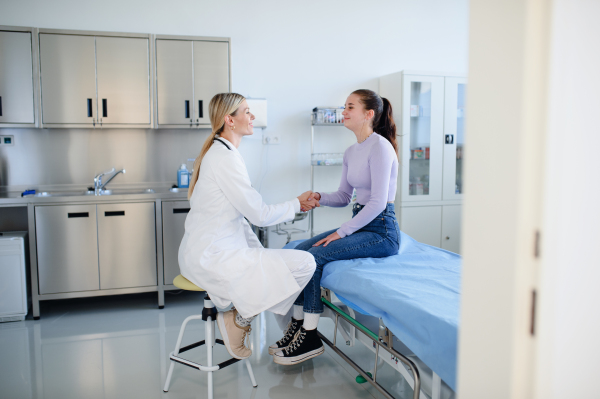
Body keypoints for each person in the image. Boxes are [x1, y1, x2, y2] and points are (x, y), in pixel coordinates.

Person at [178, 92, 319, 360]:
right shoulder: (225, 158)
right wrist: (297, 205)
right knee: (305, 263)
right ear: (229, 120)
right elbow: (259, 215)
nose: (252, 116)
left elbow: (242, 218)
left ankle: (284, 326)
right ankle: (239, 321)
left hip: (207, 252)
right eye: (246, 111)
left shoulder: (221, 152)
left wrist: (260, 253)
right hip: (212, 257)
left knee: (275, 269)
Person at [270, 89, 400, 365]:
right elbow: (343, 197)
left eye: (350, 107)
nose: (344, 112)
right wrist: (319, 197)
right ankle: (297, 324)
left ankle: (310, 335)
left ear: (369, 114)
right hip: (363, 223)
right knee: (299, 252)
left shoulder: (380, 147)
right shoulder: (352, 151)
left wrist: (341, 232)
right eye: (344, 106)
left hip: (381, 231)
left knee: (315, 256)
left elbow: (377, 203)